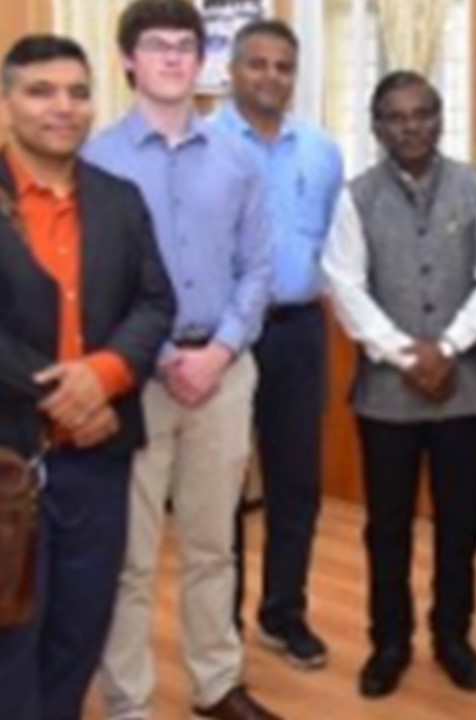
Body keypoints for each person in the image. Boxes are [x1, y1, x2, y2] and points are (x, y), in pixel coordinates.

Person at [85, 2, 278, 718]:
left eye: (184, 46)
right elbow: (96, 281)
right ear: (127, 59)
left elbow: (259, 268)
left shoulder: (238, 159)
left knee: (212, 544)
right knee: (131, 556)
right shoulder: (96, 159)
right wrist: (162, 355)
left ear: (202, 62)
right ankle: (128, 701)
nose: (171, 57)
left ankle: (217, 682)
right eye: (156, 45)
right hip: (133, 379)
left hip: (224, 374)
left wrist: (219, 350)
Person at [0, 34, 175, 720]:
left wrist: (103, 376)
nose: (63, 107)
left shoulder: (120, 200)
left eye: (77, 92)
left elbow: (156, 302)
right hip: (9, 458)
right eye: (41, 91)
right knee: (11, 637)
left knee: (80, 627)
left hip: (99, 454)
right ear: (7, 104)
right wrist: (65, 395)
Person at [323, 71, 476, 700]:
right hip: (388, 392)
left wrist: (448, 347)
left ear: (440, 118)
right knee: (388, 526)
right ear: (377, 127)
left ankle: (453, 637)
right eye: (396, 117)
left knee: (460, 522)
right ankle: (389, 643)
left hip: (466, 387)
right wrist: (406, 355)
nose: (411, 126)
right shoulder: (356, 197)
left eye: (423, 113)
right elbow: (345, 285)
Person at [215, 18, 343, 671]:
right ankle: (220, 623)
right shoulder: (203, 145)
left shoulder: (322, 151)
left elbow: (336, 247)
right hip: (224, 337)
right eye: (257, 63)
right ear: (232, 70)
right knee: (222, 484)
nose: (271, 76)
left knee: (297, 483)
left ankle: (283, 613)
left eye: (283, 66)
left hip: (299, 330)